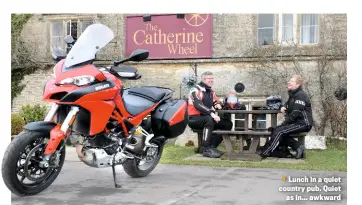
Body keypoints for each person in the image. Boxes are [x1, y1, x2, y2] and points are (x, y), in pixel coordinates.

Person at [260, 75, 313, 159]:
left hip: (303, 123)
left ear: (298, 85)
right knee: (275, 130)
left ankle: (265, 152)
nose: (289, 82)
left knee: (280, 131)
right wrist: (283, 106)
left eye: (292, 81)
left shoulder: (301, 95)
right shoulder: (293, 95)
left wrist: (284, 123)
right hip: (296, 123)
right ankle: (297, 147)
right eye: (289, 81)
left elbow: (295, 113)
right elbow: (287, 104)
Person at [187, 71, 233, 158]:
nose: (211, 80)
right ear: (203, 79)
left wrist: (229, 104)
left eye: (212, 78)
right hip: (193, 119)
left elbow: (217, 105)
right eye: (209, 78)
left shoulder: (211, 92)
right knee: (209, 119)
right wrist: (212, 114)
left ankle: (212, 147)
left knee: (227, 124)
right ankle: (206, 148)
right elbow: (198, 104)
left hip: (206, 118)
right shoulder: (195, 90)